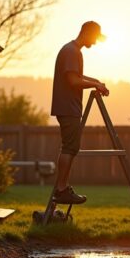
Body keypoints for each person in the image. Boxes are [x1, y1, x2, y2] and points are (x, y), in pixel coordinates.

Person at [49, 21, 110, 204]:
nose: (95, 42)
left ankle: (63, 188)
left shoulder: (72, 50)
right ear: (87, 33)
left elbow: (77, 76)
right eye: (95, 38)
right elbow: (73, 81)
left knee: (71, 147)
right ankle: (62, 189)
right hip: (68, 107)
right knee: (69, 147)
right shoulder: (72, 52)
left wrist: (96, 82)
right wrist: (95, 84)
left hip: (68, 107)